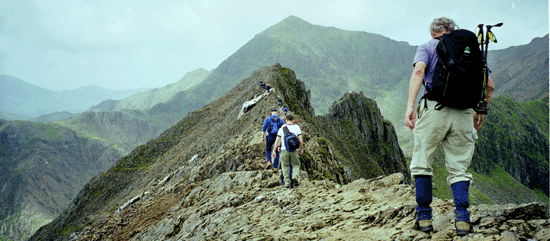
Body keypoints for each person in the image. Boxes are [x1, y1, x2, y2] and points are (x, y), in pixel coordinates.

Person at [404, 17, 495, 236]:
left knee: (423, 161)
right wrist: (480, 111)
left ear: (434, 32)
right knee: (459, 168)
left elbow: (418, 72)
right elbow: (490, 86)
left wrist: (410, 106)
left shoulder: (428, 47)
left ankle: (424, 218)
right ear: (451, 31)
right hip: (464, 112)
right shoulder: (470, 50)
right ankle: (462, 220)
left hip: (434, 109)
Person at [271, 114, 304, 188]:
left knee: (285, 166)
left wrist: (274, 150)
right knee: (295, 164)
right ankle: (295, 176)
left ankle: (287, 183)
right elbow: (301, 141)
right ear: (293, 120)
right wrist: (300, 149)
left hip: (284, 150)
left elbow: (277, 140)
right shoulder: (297, 127)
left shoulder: (282, 128)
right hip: (294, 150)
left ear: (285, 120)